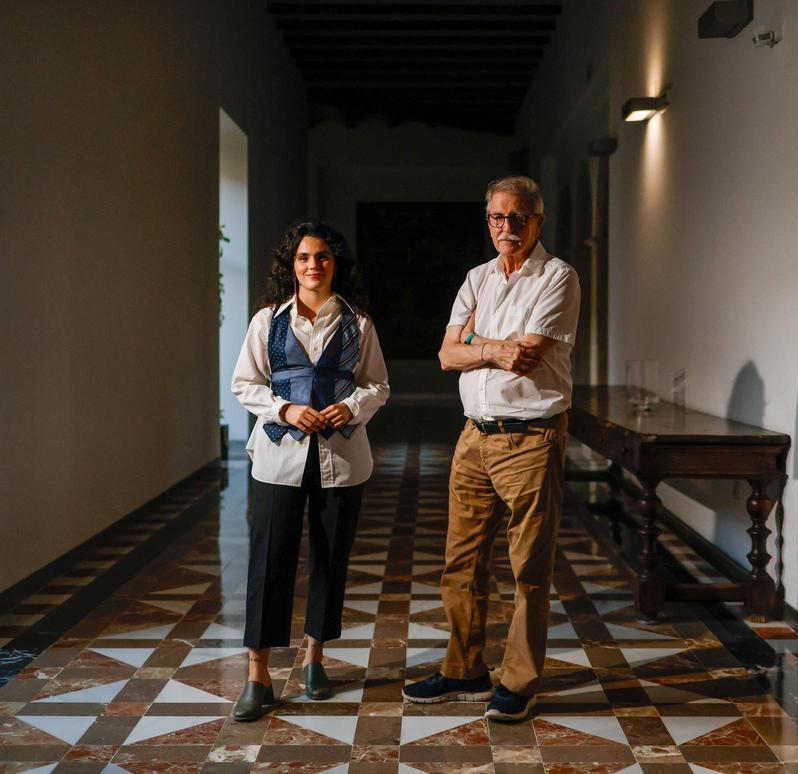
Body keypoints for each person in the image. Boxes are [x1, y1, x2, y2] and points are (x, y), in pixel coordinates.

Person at [402, 176, 580, 722]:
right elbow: (445, 355)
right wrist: (492, 347)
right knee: (461, 563)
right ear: (488, 222)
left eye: (519, 217)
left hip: (530, 438)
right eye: (498, 218)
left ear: (537, 221)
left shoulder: (558, 277)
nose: (508, 227)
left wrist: (477, 342)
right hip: (473, 436)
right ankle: (463, 670)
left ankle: (519, 681)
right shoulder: (476, 277)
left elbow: (526, 355)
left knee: (529, 567)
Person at [230, 219, 389, 721]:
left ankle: (315, 661)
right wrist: (285, 410)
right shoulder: (266, 322)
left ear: (334, 264)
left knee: (329, 560)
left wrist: (352, 406)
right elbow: (245, 383)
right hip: (277, 459)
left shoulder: (358, 323)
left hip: (341, 460)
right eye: (303, 258)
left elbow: (378, 385)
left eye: (321, 257)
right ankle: (258, 675)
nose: (313, 265)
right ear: (291, 266)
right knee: (268, 563)